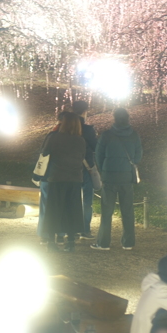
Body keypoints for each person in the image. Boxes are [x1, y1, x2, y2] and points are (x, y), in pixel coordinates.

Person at [92, 107, 143, 251]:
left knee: (106, 211)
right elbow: (138, 156)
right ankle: (128, 242)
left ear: (114, 118)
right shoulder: (134, 135)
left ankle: (103, 242)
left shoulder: (107, 135)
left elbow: (99, 155)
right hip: (126, 176)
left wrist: (104, 169)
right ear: (128, 118)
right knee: (127, 210)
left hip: (109, 176)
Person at [39, 110, 86, 252]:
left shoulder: (55, 138)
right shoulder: (80, 140)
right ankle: (71, 241)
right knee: (72, 209)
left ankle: (52, 242)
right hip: (74, 178)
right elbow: (82, 156)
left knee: (54, 209)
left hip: (56, 177)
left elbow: (44, 152)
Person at [73, 100, 99, 239]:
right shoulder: (87, 130)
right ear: (85, 111)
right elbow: (96, 147)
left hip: (70, 168)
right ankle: (85, 229)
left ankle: (70, 228)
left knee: (72, 198)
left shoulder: (64, 128)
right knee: (87, 200)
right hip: (85, 168)